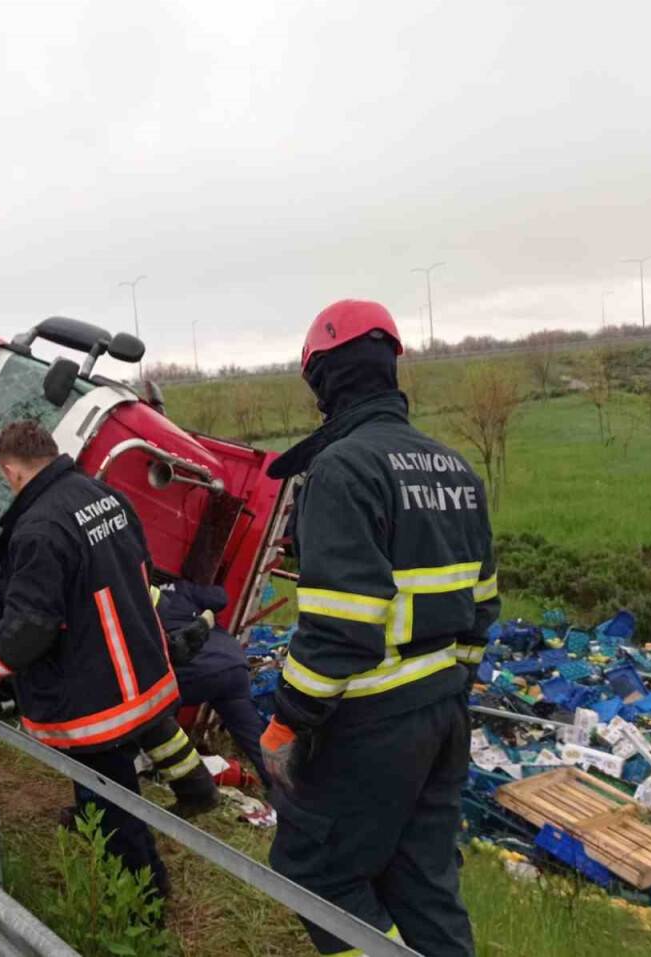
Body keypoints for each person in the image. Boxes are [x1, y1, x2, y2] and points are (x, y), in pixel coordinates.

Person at [259, 300, 498, 957]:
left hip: (371, 721)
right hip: (443, 713)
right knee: (424, 884)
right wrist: (454, 686)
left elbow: (340, 628)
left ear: (324, 380)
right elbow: (484, 601)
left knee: (318, 871)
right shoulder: (456, 468)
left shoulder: (342, 469)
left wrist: (287, 723)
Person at [0, 419, 191, 895]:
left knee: (112, 800)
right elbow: (135, 572)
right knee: (108, 783)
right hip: (137, 667)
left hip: (94, 692)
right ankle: (152, 808)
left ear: (10, 471)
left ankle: (145, 901)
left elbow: (28, 627)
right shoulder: (104, 496)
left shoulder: (37, 528)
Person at [153, 579, 271, 790]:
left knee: (153, 714)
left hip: (194, 667)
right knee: (254, 740)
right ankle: (286, 794)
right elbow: (220, 597)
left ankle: (180, 780)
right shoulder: (183, 588)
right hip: (234, 665)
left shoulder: (137, 598)